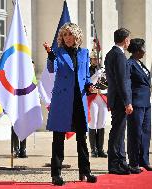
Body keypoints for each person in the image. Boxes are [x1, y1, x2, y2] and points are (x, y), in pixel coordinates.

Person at [43, 22, 97, 186]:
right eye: (64, 35)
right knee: (58, 138)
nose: (67, 37)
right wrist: (50, 56)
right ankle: (56, 174)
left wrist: (90, 86)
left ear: (76, 36)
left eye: (70, 34)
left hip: (79, 100)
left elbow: (86, 76)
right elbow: (52, 69)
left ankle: (85, 171)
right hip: (62, 101)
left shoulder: (84, 53)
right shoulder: (57, 53)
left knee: (82, 138)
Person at [105, 28, 141, 175]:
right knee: (117, 132)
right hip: (120, 100)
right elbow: (121, 81)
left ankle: (121, 161)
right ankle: (115, 164)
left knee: (119, 131)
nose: (129, 43)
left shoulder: (111, 53)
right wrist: (127, 102)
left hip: (116, 98)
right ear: (126, 40)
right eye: (129, 40)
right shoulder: (119, 55)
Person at [127, 38, 152, 172]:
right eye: (143, 49)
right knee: (135, 133)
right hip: (136, 103)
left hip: (146, 102)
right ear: (136, 50)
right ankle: (133, 162)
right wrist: (128, 102)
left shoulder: (140, 63)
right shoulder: (130, 63)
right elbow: (127, 84)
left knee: (145, 132)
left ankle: (144, 160)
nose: (144, 51)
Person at [87, 48, 108, 158]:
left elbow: (108, 84)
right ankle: (93, 149)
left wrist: (103, 74)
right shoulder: (88, 70)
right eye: (94, 59)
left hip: (102, 98)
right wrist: (96, 75)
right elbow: (89, 82)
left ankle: (100, 149)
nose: (96, 61)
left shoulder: (104, 70)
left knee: (101, 123)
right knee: (93, 123)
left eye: (98, 59)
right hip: (93, 98)